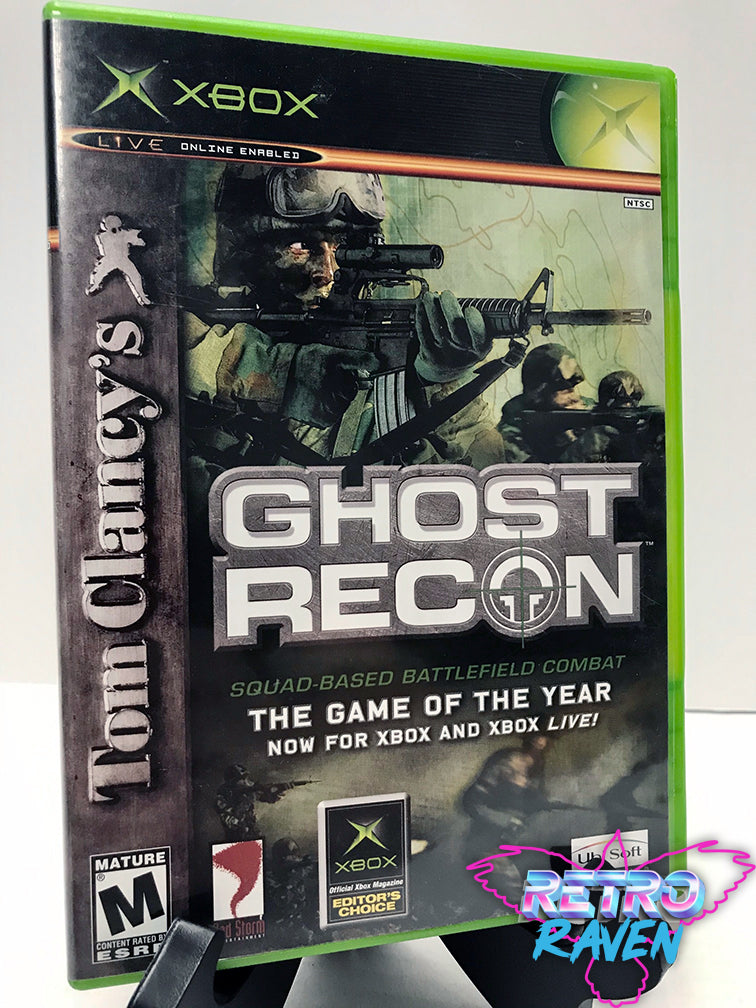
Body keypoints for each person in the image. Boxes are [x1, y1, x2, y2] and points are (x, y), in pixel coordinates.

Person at [183, 165, 504, 470]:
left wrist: (441, 383)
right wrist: (290, 374)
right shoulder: (186, 335)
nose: (328, 272)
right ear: (246, 253)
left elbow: (483, 471)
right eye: (300, 246)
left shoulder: (380, 371)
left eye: (346, 248)